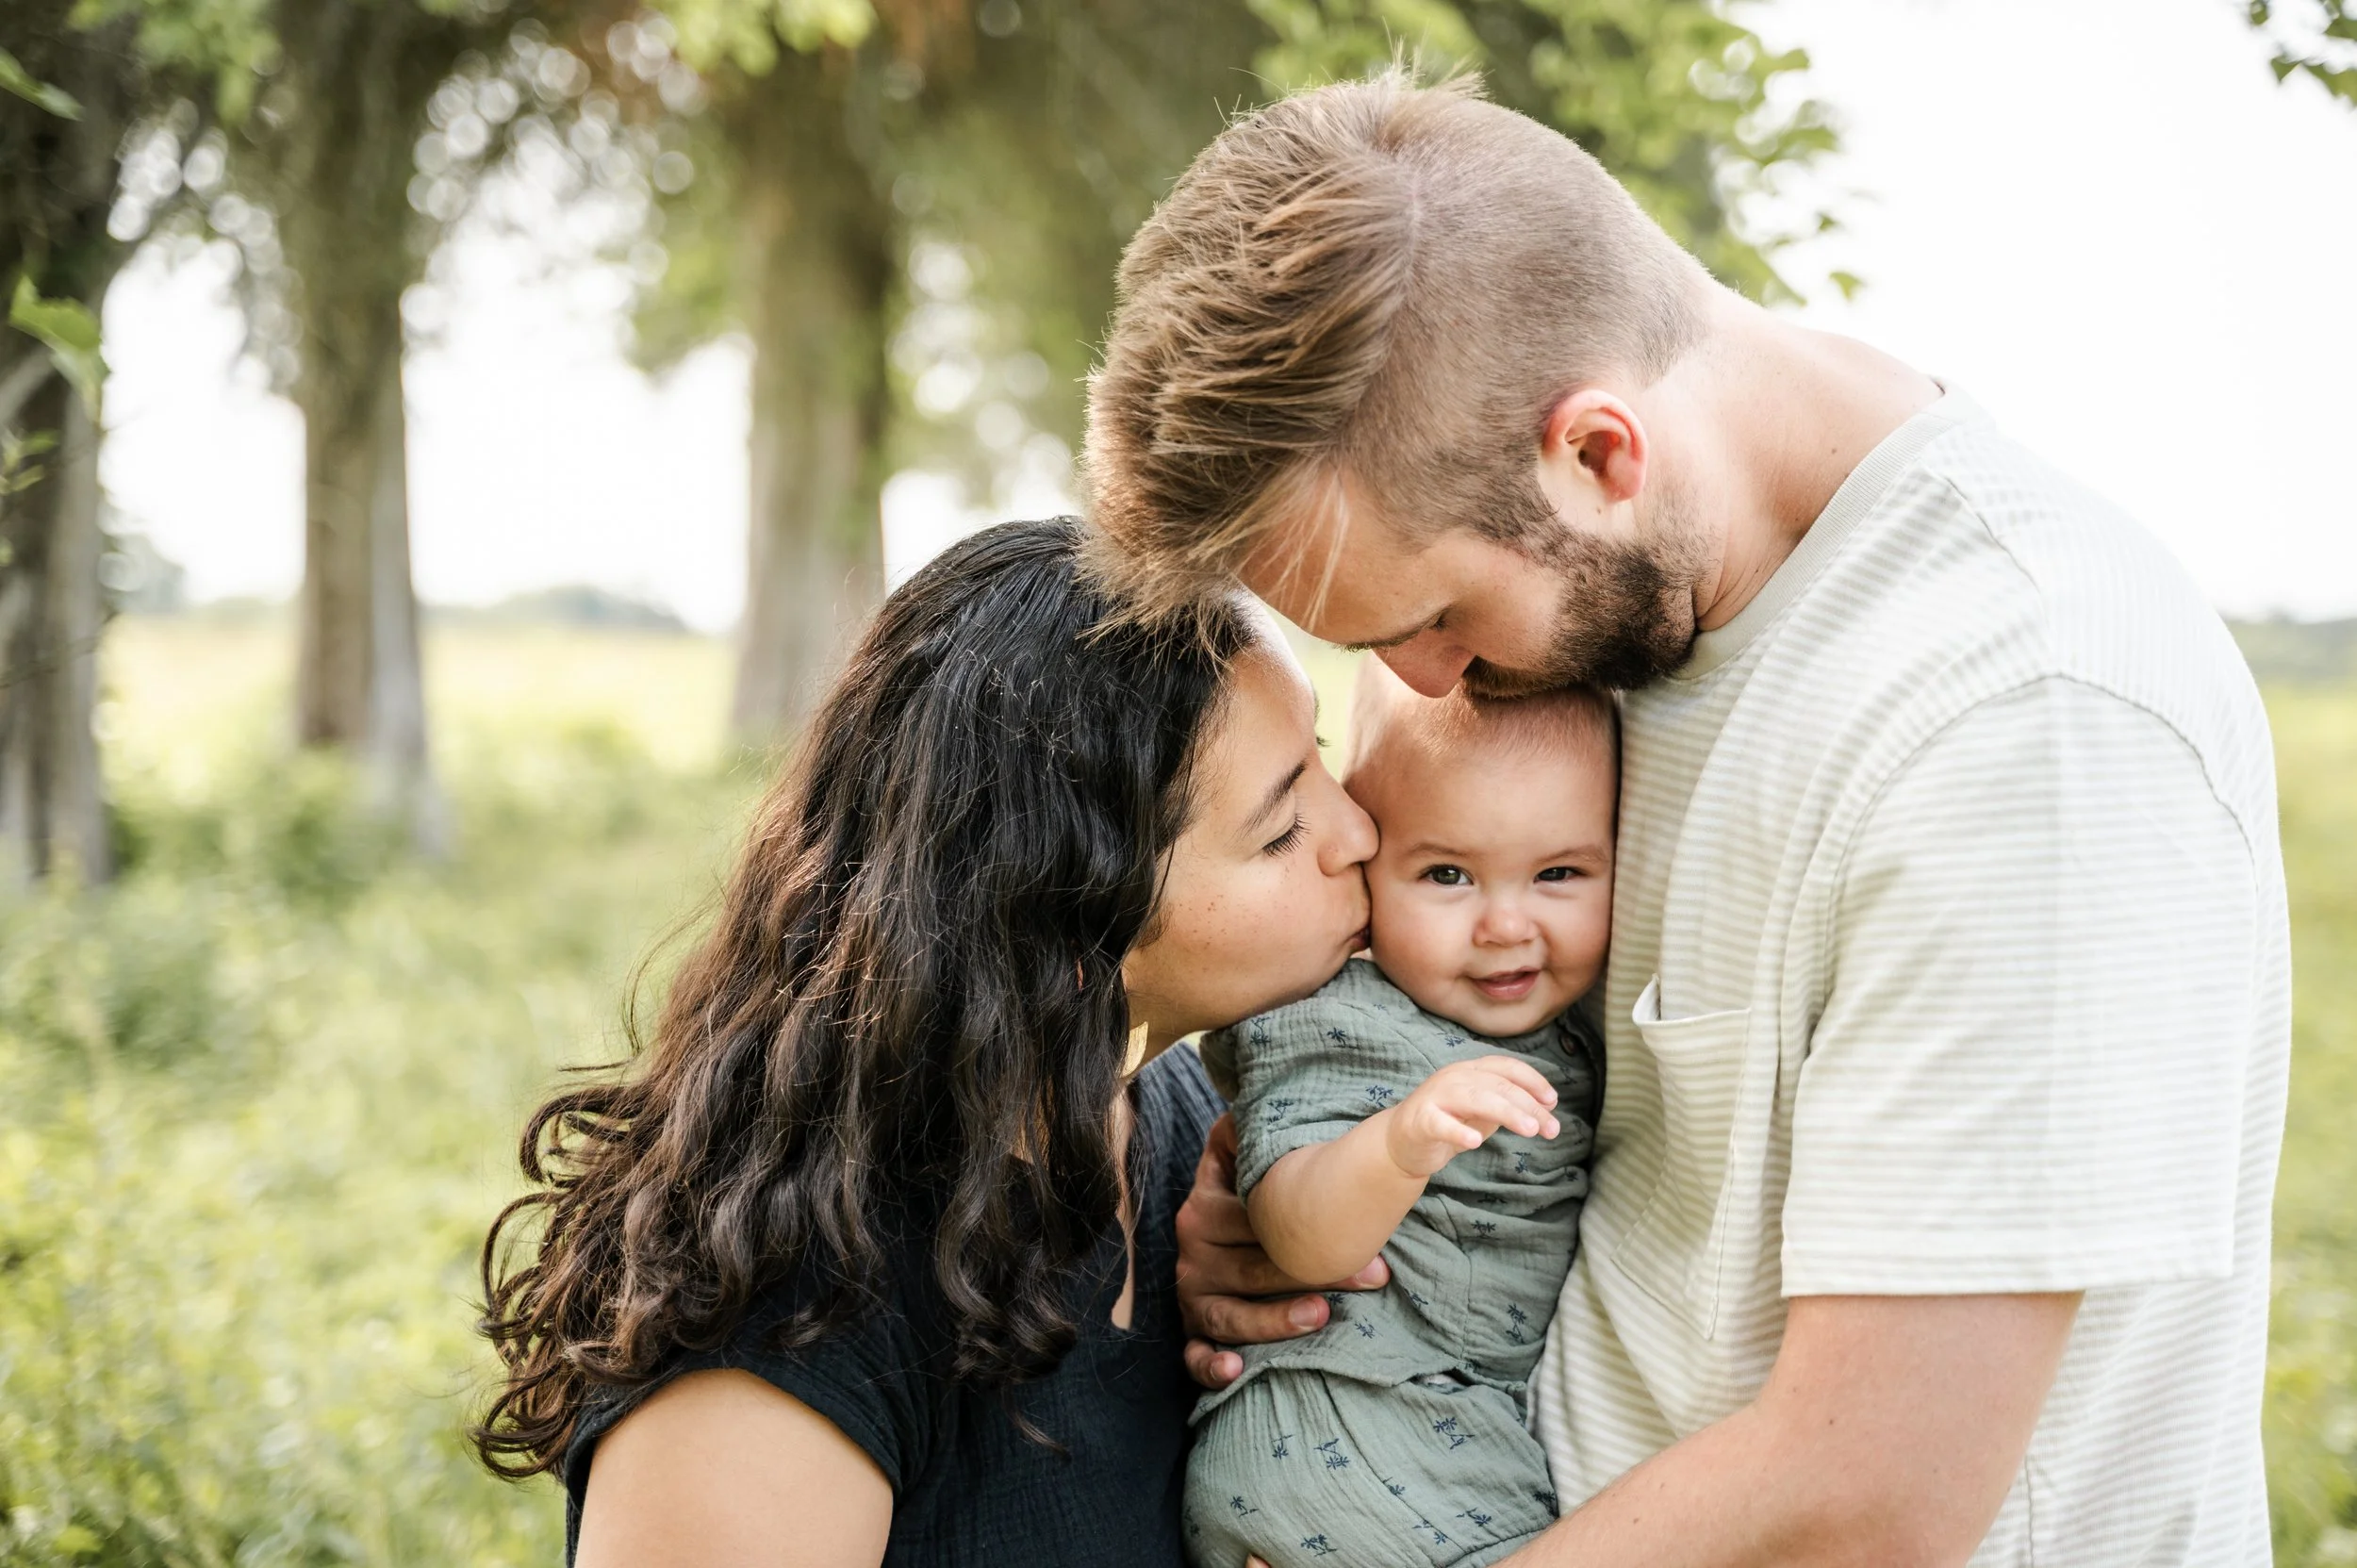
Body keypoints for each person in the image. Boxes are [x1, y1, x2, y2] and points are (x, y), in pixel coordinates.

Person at [1083, 70, 2290, 1567]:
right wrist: (1295, 1225)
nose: (1424, 686)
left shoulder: (2024, 715)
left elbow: (1865, 1503)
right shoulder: (1617, 620)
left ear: (1599, 453)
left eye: (1440, 616)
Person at [471, 518, 1381, 1568]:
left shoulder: (1174, 1121)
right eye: (1279, 832)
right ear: (1070, 934)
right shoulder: (791, 1320)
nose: (1355, 830)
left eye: (1316, 757)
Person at [1182, 666, 1613, 1568]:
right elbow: (1297, 1232)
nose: (1505, 923)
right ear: (1372, 863)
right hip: (1351, 1431)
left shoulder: (1562, 1022)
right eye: (1447, 873)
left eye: (1559, 872)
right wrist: (1399, 1139)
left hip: (1440, 1432)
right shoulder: (1343, 1018)